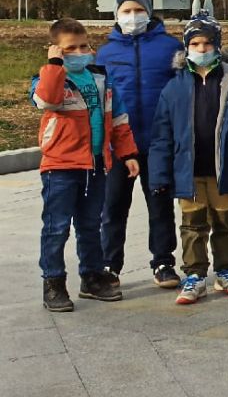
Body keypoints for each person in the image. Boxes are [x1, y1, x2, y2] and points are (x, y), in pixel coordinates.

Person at [148, 13, 228, 305]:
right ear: (187, 47)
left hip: (222, 169)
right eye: (196, 44)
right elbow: (162, 136)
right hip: (189, 170)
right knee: (193, 224)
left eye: (207, 43)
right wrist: (159, 175)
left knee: (226, 221)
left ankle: (225, 269)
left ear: (217, 45)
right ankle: (194, 274)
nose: (201, 50)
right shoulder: (174, 87)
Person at [33, 18, 138, 311]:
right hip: (61, 167)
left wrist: (127, 153)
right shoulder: (48, 78)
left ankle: (91, 276)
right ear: (55, 50)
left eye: (84, 46)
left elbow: (118, 119)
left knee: (90, 225)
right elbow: (47, 100)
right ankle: (53, 282)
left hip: (95, 165)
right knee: (56, 228)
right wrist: (54, 66)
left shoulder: (101, 78)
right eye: (70, 49)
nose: (79, 53)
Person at [97, 0, 182, 289]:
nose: (132, 16)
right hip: (120, 146)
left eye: (138, 10)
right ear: (116, 14)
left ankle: (163, 262)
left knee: (160, 206)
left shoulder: (170, 47)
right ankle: (110, 264)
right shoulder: (106, 52)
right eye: (126, 11)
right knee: (114, 206)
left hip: (158, 143)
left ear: (149, 12)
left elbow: (180, 92)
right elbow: (99, 99)